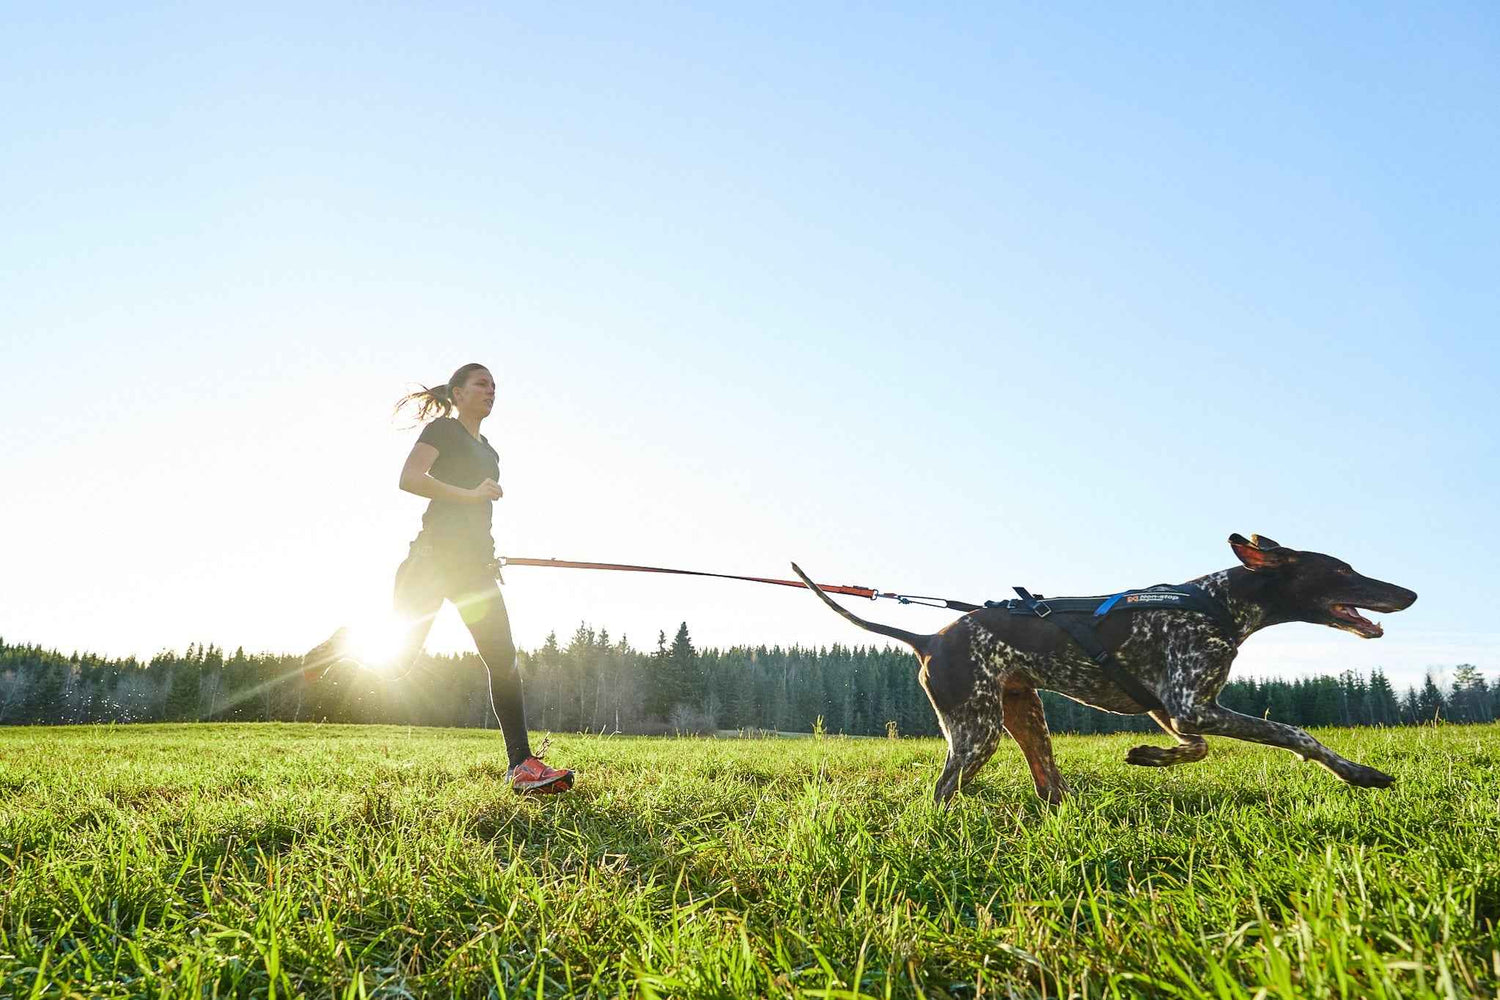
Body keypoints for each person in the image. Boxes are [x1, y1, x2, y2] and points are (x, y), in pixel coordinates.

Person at [303, 362, 573, 795]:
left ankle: (520, 765)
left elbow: (474, 517)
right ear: (458, 392)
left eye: (494, 386)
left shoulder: (490, 452)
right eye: (481, 383)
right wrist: (469, 494)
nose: (491, 391)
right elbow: (409, 479)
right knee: (397, 665)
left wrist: (486, 555)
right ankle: (345, 641)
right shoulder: (443, 431)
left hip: (472, 569)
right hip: (429, 563)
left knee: (503, 661)